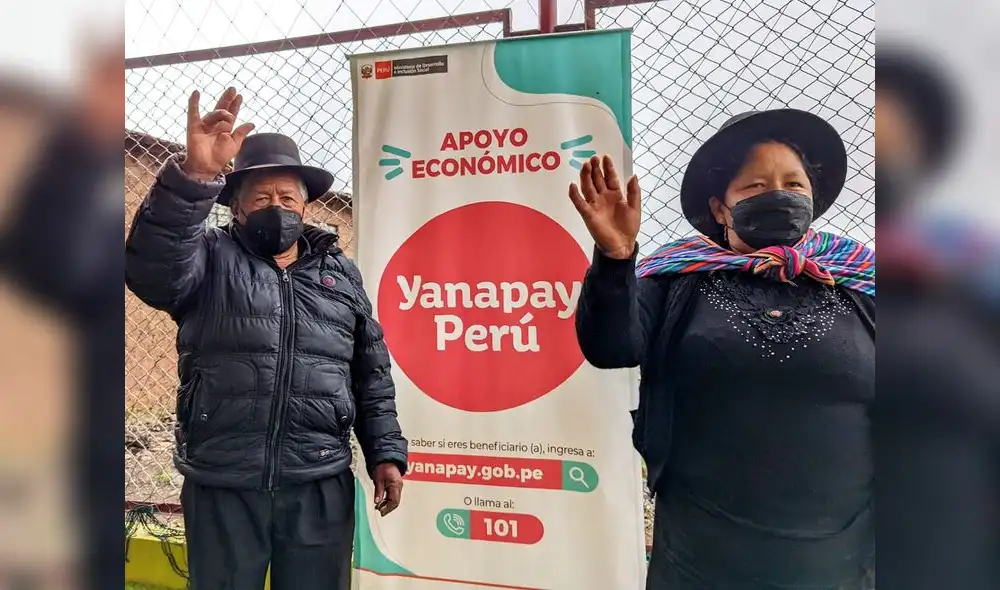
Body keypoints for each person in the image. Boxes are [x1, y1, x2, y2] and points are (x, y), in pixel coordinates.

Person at [568, 109, 876, 589]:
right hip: (702, 548)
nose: (777, 195)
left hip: (841, 552)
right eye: (754, 187)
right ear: (720, 208)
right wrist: (615, 259)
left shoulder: (861, 280)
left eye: (793, 185)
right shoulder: (676, 278)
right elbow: (611, 346)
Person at [125, 87, 408, 590]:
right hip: (223, 479)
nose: (276, 207)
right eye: (260, 198)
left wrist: (384, 452)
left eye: (287, 198)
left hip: (319, 479)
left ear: (306, 206)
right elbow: (151, 270)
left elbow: (370, 371)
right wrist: (194, 176)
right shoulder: (206, 259)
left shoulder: (340, 274)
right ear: (234, 206)